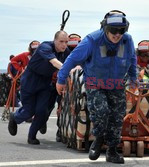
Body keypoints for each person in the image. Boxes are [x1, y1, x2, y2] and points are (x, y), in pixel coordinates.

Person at [56, 10, 137, 164]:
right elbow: (72, 60)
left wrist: (133, 78)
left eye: (121, 30)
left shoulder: (127, 40)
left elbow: (132, 58)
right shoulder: (92, 40)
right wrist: (61, 79)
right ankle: (98, 139)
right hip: (95, 84)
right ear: (105, 28)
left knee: (116, 118)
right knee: (102, 112)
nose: (117, 34)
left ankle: (112, 151)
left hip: (117, 84)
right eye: (113, 30)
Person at [8, 31, 70, 145]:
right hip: (30, 81)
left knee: (42, 111)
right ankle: (15, 118)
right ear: (54, 40)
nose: (64, 45)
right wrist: (67, 69)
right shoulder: (45, 47)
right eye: (61, 41)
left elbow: (73, 60)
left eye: (66, 42)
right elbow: (54, 62)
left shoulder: (65, 51)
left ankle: (31, 136)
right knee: (29, 110)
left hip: (45, 82)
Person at [47, 33, 82, 142]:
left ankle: (65, 130)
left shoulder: (82, 50)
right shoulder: (59, 51)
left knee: (71, 108)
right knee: (54, 106)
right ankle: (48, 123)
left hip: (75, 85)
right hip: (56, 83)